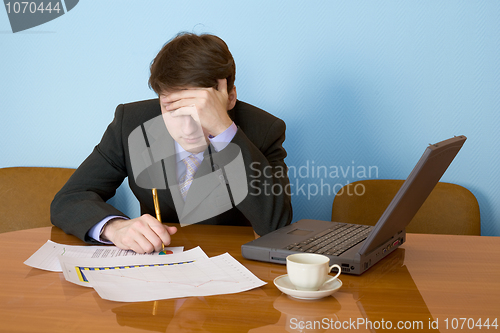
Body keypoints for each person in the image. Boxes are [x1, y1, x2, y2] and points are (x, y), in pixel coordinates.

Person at [51, 32, 292, 253]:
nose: (187, 128)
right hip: (156, 269)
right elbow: (70, 198)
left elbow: (275, 226)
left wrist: (224, 131)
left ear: (230, 98)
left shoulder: (263, 130)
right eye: (172, 108)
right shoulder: (131, 123)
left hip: (231, 270)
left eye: (199, 110)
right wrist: (114, 227)